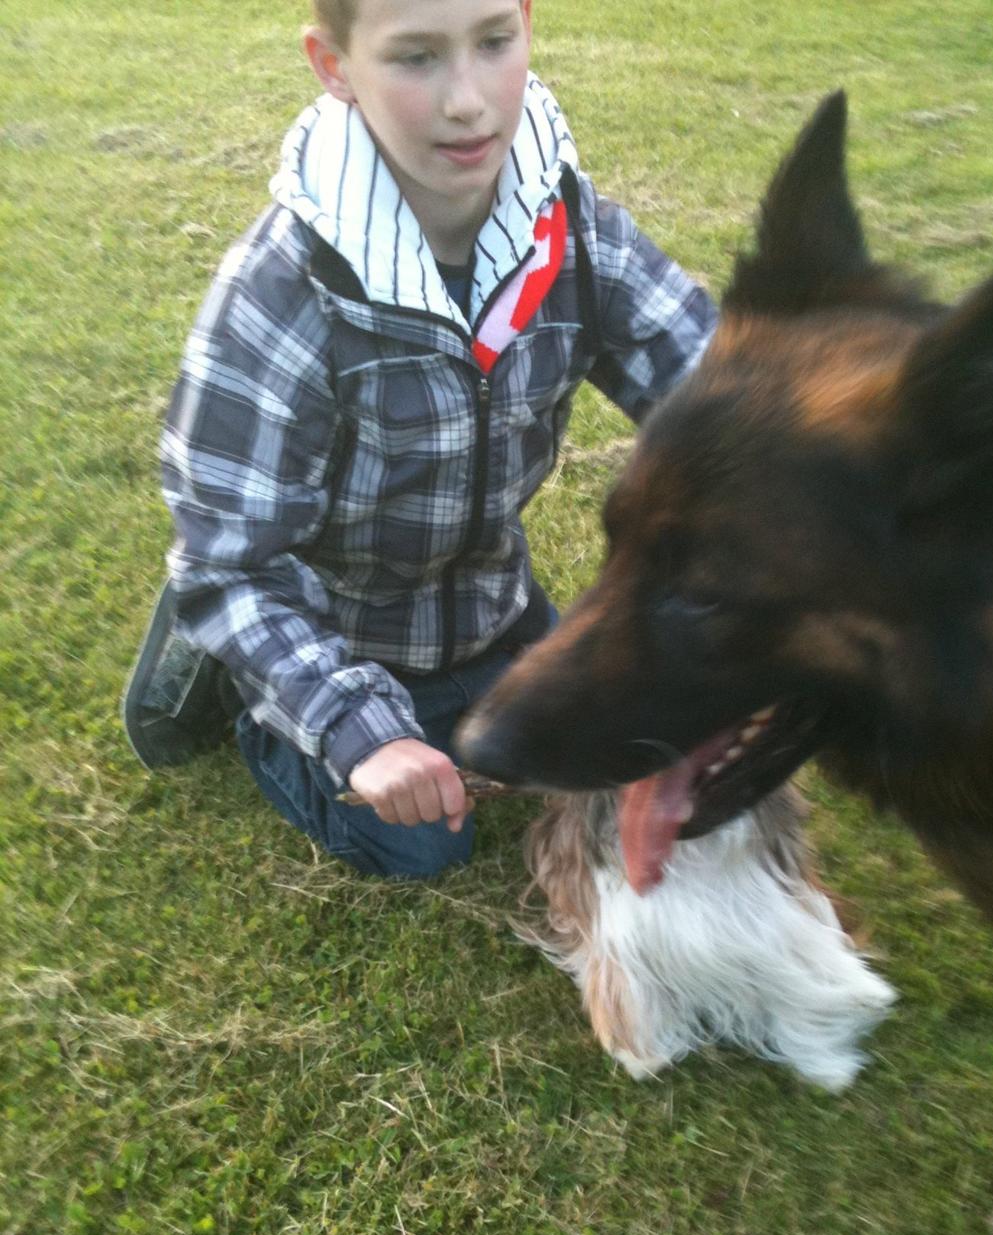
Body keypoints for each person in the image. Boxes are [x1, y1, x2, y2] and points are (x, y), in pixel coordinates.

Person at [123, 0, 716, 878]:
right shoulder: (282, 294)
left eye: (492, 42)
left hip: (495, 610)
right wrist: (362, 736)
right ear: (334, 65)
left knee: (617, 749)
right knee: (422, 842)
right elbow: (230, 567)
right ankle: (254, 701)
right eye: (415, 58)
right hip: (339, 631)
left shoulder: (571, 229)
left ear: (526, 21)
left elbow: (717, 391)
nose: (469, 101)